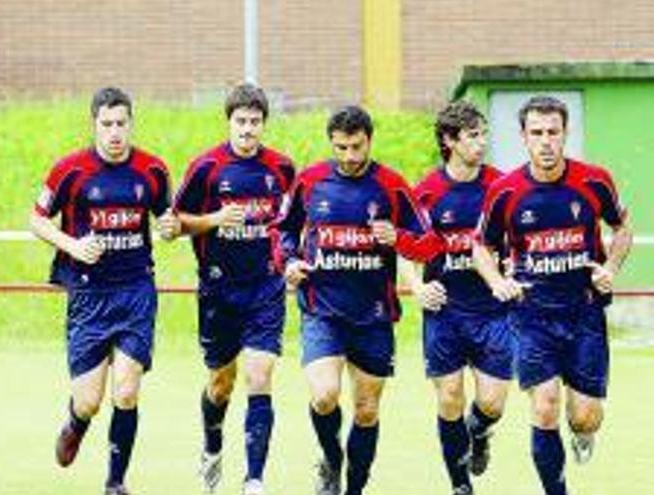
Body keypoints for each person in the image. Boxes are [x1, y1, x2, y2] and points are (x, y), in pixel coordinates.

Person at [274, 105, 441, 495]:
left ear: (369, 141)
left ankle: (355, 489)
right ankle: (331, 460)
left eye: (356, 147)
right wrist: (290, 262)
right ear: (332, 143)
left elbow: (431, 243)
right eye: (341, 148)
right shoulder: (311, 181)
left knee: (366, 410)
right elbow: (282, 230)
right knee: (324, 395)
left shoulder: (392, 186)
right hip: (322, 311)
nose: (349, 157)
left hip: (374, 315)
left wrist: (397, 238)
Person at [474, 95, 633, 495]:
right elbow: (481, 247)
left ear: (566, 134)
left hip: (584, 314)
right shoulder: (504, 191)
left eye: (553, 132)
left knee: (583, 417)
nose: (546, 141)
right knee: (544, 407)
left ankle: (583, 433)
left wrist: (610, 268)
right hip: (531, 316)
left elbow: (622, 229)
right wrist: (497, 282)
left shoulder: (594, 181)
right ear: (524, 137)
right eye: (537, 133)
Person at [29, 87, 181, 495]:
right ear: (94, 124)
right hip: (89, 295)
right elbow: (38, 220)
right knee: (90, 401)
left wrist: (170, 228)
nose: (115, 133)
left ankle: (116, 482)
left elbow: (167, 220)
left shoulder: (152, 170)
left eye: (121, 124)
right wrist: (73, 245)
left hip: (135, 291)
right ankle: (75, 423)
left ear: (131, 124)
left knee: (127, 391)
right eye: (107, 124)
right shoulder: (70, 171)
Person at [173, 83, 295, 495]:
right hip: (218, 290)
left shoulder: (282, 169)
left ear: (264, 124)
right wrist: (215, 219)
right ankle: (212, 449)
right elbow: (176, 222)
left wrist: (292, 259)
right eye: (241, 122)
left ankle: (254, 479)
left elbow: (293, 223)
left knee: (260, 375)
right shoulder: (206, 167)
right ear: (229, 122)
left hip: (266, 287)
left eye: (255, 122)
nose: (247, 129)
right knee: (221, 383)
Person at [408, 101, 513, 495]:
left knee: (493, 403)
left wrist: (513, 274)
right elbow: (406, 248)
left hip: (493, 313)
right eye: (472, 136)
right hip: (445, 313)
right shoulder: (427, 193)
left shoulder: (502, 187)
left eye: (483, 134)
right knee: (449, 397)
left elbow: (520, 240)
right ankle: (460, 485)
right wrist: (418, 288)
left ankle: (480, 431)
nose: (481, 143)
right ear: (450, 141)